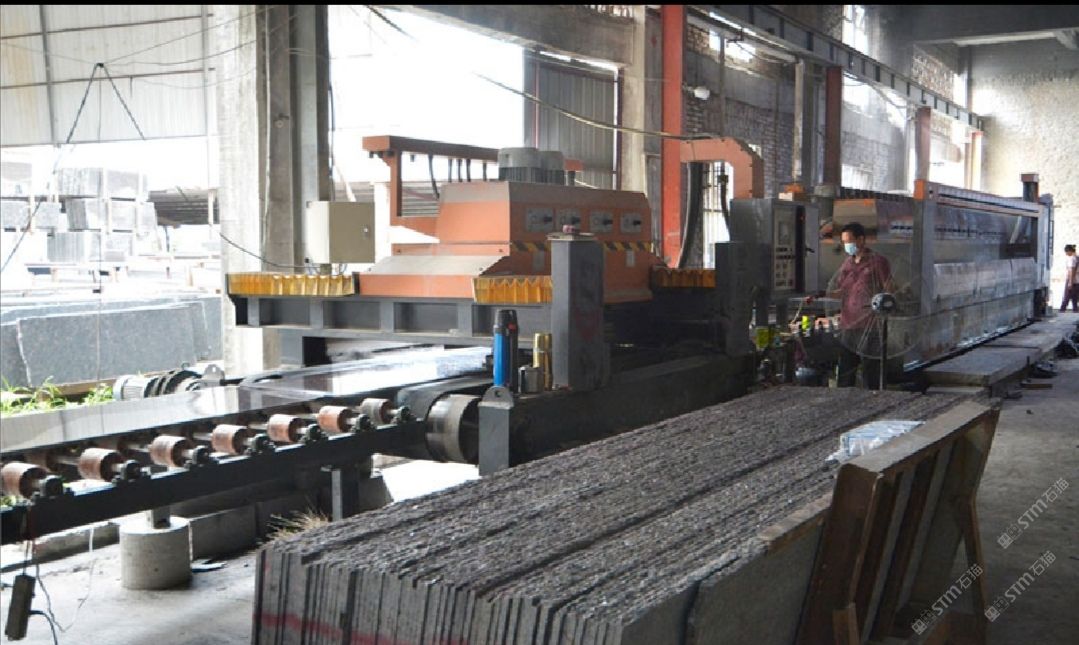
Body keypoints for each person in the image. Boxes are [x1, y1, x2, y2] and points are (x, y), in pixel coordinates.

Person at [828, 222, 892, 388]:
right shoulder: (847, 264)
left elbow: (889, 291)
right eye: (844, 242)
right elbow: (842, 291)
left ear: (861, 239)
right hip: (848, 325)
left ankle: (873, 398)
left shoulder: (878, 262)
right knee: (846, 370)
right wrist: (822, 294)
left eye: (849, 241)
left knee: (870, 371)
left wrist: (880, 306)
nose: (846, 246)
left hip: (870, 326)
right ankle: (845, 399)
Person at [1061, 244, 1078, 313]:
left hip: (1071, 279)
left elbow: (1071, 270)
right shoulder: (1077, 257)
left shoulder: (1072, 259)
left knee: (1067, 295)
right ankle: (1075, 309)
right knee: (1074, 295)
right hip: (1077, 280)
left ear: (1070, 251)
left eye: (1066, 252)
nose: (1066, 253)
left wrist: (1070, 282)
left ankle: (1062, 309)